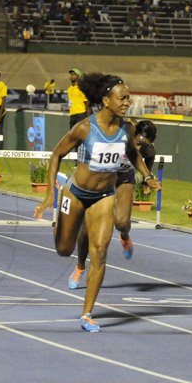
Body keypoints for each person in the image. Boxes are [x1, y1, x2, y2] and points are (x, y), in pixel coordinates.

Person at [33, 73, 161, 332]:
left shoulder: (127, 129)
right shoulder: (85, 128)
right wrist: (49, 193)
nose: (127, 102)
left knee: (100, 253)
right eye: (122, 98)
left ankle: (87, 314)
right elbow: (56, 154)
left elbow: (133, 154)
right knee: (63, 249)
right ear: (106, 100)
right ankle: (61, 224)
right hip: (76, 192)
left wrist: (146, 176)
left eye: (129, 97)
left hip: (104, 196)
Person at [68, 120, 158, 290]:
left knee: (122, 223)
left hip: (124, 179)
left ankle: (124, 236)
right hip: (101, 179)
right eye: (137, 144)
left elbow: (149, 158)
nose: (138, 149)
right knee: (86, 230)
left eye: (143, 146)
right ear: (133, 136)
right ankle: (80, 267)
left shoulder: (147, 148)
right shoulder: (119, 137)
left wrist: (147, 180)